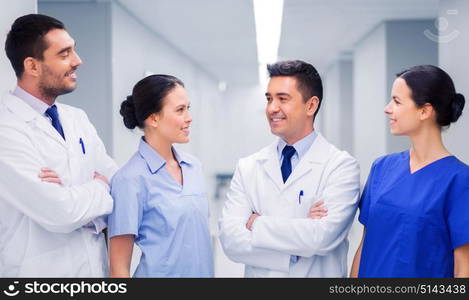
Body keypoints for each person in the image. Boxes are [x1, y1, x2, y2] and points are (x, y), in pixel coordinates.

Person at [219, 60, 360, 277]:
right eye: (269, 99)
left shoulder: (340, 166)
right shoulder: (248, 167)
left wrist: (256, 223)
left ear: (311, 106)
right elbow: (231, 239)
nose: (272, 108)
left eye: (282, 99)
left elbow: (322, 237)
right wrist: (297, 242)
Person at [0, 14, 117, 277]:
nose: (78, 61)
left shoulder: (77, 119)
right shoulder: (6, 129)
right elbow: (60, 212)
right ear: (32, 66)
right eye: (65, 54)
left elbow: (119, 181)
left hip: (93, 272)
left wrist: (75, 193)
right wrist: (99, 185)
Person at [350, 65, 469, 278]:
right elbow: (366, 243)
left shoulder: (459, 180)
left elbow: (464, 269)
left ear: (424, 110)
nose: (387, 108)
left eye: (396, 101)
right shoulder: (382, 168)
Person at [108, 74, 213, 277]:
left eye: (188, 108)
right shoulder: (130, 180)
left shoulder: (193, 167)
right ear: (153, 118)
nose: (189, 117)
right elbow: (118, 269)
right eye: (180, 110)